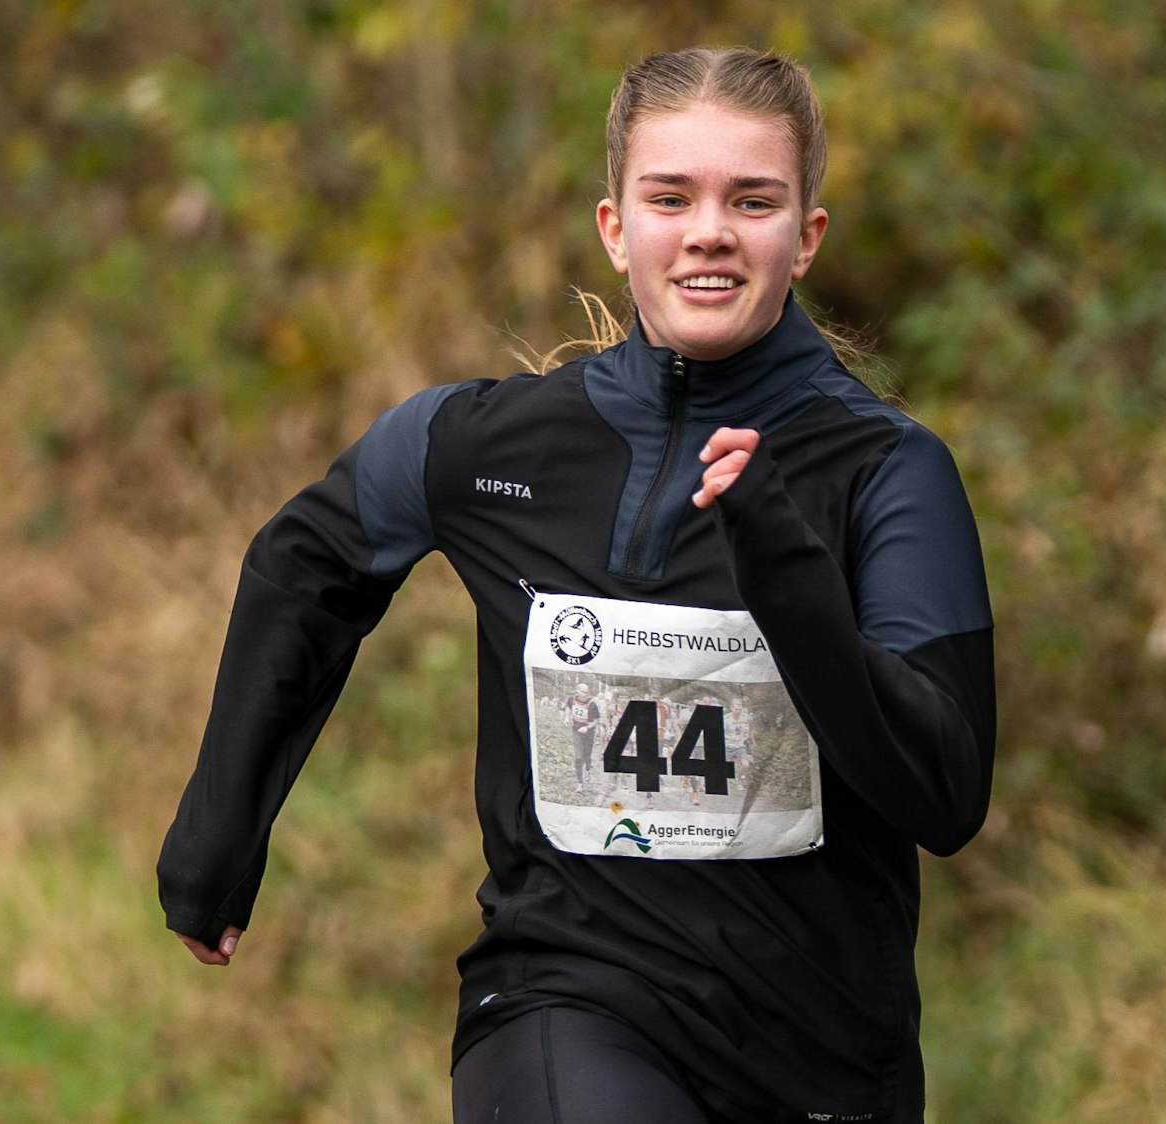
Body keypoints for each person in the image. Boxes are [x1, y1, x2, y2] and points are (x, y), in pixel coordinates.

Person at [158, 45, 995, 1124]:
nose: (708, 229)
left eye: (753, 199)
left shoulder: (888, 472)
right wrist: (219, 835)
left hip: (821, 1049)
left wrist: (790, 584)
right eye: (671, 197)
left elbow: (946, 792)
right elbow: (304, 561)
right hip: (564, 994)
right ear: (615, 229)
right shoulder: (487, 443)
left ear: (805, 239)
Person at [567, 682, 601, 793]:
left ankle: (587, 769)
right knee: (578, 757)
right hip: (576, 730)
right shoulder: (572, 699)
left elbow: (596, 721)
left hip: (588, 731)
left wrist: (587, 727)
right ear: (577, 691)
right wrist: (567, 718)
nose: (584, 694)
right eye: (582, 692)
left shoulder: (592, 704)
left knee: (587, 755)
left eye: (586, 692)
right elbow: (568, 707)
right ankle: (580, 784)